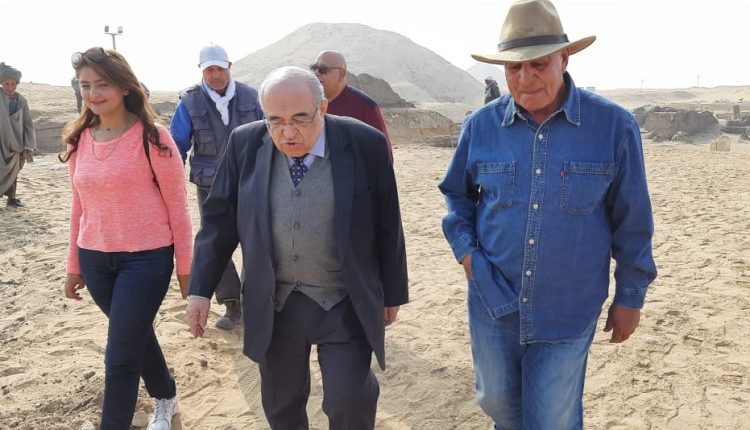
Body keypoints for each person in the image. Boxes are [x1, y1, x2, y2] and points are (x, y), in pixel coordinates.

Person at [438, 1, 657, 428]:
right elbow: (456, 196)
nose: (526, 78)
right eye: (514, 68)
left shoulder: (614, 127)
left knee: (550, 419)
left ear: (564, 58)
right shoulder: (480, 127)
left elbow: (633, 220)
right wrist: (467, 255)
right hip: (492, 300)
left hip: (568, 307)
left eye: (538, 64)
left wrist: (630, 296)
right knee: (498, 405)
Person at [186, 66, 408, 429]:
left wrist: (393, 292)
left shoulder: (364, 143)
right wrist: (200, 291)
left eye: (300, 119)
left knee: (349, 399)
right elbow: (218, 222)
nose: (287, 132)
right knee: (281, 404)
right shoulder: (245, 143)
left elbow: (388, 223)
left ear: (323, 108)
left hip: (343, 298)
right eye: (275, 120)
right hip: (275, 302)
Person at [61, 47, 192, 430]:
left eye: (101, 84)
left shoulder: (154, 137)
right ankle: (166, 397)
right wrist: (73, 265)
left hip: (147, 260)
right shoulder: (78, 139)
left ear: (123, 86)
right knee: (134, 334)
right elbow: (78, 206)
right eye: (85, 85)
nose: (92, 93)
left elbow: (178, 209)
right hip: (94, 260)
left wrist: (187, 269)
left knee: (119, 355)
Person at [170, 43, 263, 330]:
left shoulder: (252, 96)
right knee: (214, 242)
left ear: (229, 67)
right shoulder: (189, 103)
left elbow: (271, 135)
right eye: (209, 70)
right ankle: (232, 304)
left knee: (257, 240)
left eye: (220, 69)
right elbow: (177, 146)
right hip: (210, 186)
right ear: (201, 71)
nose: (215, 75)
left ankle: (254, 301)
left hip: (252, 182)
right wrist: (171, 183)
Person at [310, 50, 393, 160]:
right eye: (314, 68)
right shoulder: (308, 104)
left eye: (322, 69)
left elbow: (383, 155)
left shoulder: (365, 107)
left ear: (341, 74)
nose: (316, 73)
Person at [0, 62, 36, 208]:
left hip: (16, 143)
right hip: (1, 142)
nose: (10, 87)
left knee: (13, 171)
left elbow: (28, 123)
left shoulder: (21, 100)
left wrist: (29, 144)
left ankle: (12, 198)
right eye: (6, 84)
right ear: (1, 83)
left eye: (13, 84)